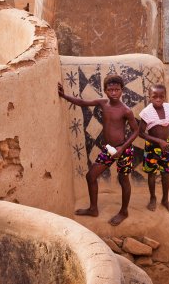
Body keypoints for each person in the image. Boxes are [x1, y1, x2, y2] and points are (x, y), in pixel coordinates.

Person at [58, 74, 139, 226]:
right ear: (105, 91)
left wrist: (122, 147)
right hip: (109, 150)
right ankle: (93, 208)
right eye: (110, 90)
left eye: (117, 89)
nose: (113, 93)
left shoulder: (126, 110)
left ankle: (124, 211)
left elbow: (136, 131)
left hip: (124, 149)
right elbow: (82, 102)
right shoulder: (103, 103)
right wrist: (64, 96)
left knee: (123, 180)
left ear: (122, 90)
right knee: (91, 176)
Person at [139, 84, 169, 214]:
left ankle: (165, 200)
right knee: (152, 174)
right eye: (155, 96)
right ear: (149, 97)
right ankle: (153, 198)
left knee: (165, 174)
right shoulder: (146, 112)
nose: (158, 99)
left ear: (165, 97)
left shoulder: (168, 107)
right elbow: (141, 133)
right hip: (152, 149)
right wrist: (159, 141)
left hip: (165, 147)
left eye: (162, 96)